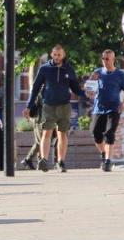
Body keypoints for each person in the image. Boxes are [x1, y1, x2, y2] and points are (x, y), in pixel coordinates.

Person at [24, 45, 85, 173]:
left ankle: (61, 162)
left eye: (59, 55)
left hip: (64, 105)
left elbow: (75, 88)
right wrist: (29, 106)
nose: (57, 57)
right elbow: (35, 88)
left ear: (63, 55)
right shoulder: (44, 68)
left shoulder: (68, 69)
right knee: (46, 132)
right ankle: (44, 161)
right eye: (55, 54)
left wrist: (85, 94)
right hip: (48, 106)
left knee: (62, 134)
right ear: (51, 54)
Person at [88, 49, 124, 172]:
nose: (105, 61)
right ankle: (103, 153)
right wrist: (91, 81)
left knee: (109, 132)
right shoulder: (97, 72)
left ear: (113, 60)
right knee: (95, 133)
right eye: (103, 58)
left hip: (114, 108)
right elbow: (89, 91)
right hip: (98, 108)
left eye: (107, 59)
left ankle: (108, 160)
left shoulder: (120, 74)